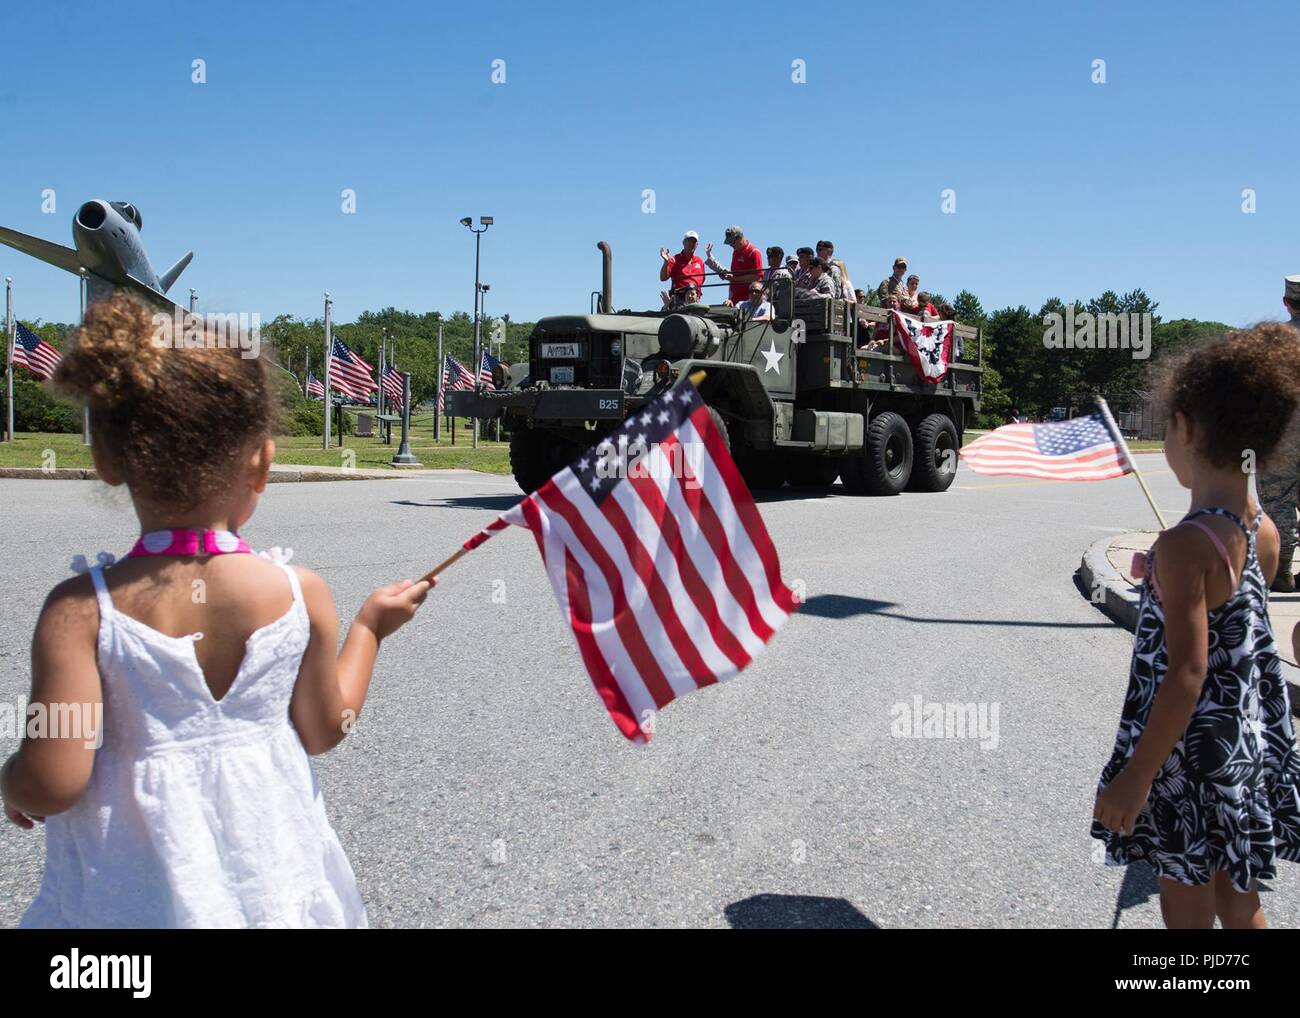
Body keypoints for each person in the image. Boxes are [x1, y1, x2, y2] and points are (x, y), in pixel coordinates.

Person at [1, 294, 432, 928]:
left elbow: (53, 779)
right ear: (261, 459)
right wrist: (368, 628)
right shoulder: (299, 592)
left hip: (130, 903)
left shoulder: (80, 611)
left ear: (107, 460)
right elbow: (323, 728)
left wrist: (15, 780)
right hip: (273, 890)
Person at [1091, 323, 1300, 929]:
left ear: (1185, 428)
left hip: (1187, 761)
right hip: (1240, 753)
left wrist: (1137, 776)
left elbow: (1187, 673)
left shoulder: (1185, 545)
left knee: (1186, 910)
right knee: (1241, 901)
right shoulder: (1263, 532)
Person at [1257, 275, 1300, 591]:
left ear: (1286, 302)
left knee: (1279, 505)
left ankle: (1280, 573)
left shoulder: (1273, 342)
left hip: (1281, 438)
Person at [705, 225, 764, 306]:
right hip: (734, 299)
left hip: (749, 302)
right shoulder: (736, 252)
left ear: (740, 237)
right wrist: (726, 275)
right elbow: (735, 274)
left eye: (732, 242)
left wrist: (733, 278)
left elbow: (757, 277)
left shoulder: (754, 252)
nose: (731, 245)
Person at [659, 230, 705, 307]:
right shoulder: (674, 259)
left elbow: (702, 280)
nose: (691, 244)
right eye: (689, 241)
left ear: (697, 244)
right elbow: (663, 278)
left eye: (694, 242)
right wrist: (666, 262)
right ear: (683, 243)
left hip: (695, 299)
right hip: (679, 299)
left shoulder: (700, 261)